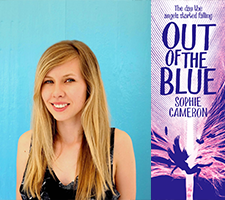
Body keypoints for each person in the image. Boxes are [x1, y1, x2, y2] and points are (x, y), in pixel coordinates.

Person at [16, 40, 136, 200]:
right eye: (48, 81)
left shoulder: (117, 143)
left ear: (89, 86)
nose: (57, 92)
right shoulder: (28, 144)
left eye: (69, 80)